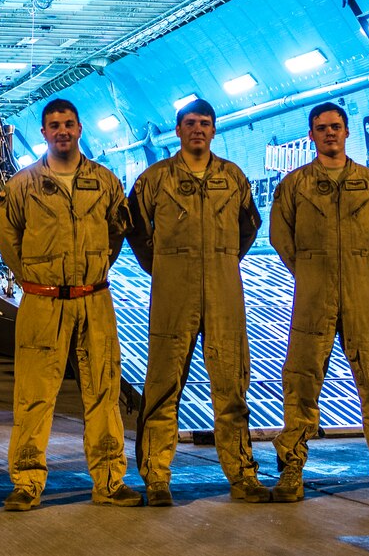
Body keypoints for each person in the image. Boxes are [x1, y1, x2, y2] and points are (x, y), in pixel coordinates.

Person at [269, 102, 369, 503]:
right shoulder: (295, 185)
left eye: (335, 127)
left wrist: (356, 270)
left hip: (361, 296)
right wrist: (309, 272)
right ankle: (291, 470)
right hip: (312, 296)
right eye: (321, 128)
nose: (329, 133)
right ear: (312, 135)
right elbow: (281, 238)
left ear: (347, 131)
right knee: (301, 383)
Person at [0, 98, 142, 511]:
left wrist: (94, 272)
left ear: (80, 130)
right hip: (42, 304)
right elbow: (7, 236)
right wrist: (33, 276)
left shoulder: (105, 181)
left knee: (104, 392)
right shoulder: (23, 186)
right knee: (34, 395)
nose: (62, 131)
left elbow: (116, 231)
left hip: (94, 299)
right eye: (54, 125)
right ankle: (26, 482)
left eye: (69, 124)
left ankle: (110, 480)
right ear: (43, 132)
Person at [127, 98, 265, 505]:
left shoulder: (232, 176)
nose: (197, 129)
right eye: (190, 123)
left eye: (205, 123)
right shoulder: (155, 178)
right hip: (173, 292)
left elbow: (249, 226)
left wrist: (222, 262)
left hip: (224, 293)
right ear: (178, 130)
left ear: (214, 129)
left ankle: (242, 475)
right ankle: (156, 477)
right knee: (163, 386)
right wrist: (163, 266)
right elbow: (134, 226)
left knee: (232, 386)